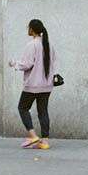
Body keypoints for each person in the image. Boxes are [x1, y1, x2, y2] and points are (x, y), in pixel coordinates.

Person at [9, 19, 57, 150]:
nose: (27, 29)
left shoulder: (32, 45)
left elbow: (26, 64)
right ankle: (45, 141)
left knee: (22, 108)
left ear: (32, 30)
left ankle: (32, 135)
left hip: (33, 84)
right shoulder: (49, 45)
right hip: (47, 84)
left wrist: (14, 63)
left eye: (28, 27)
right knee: (43, 112)